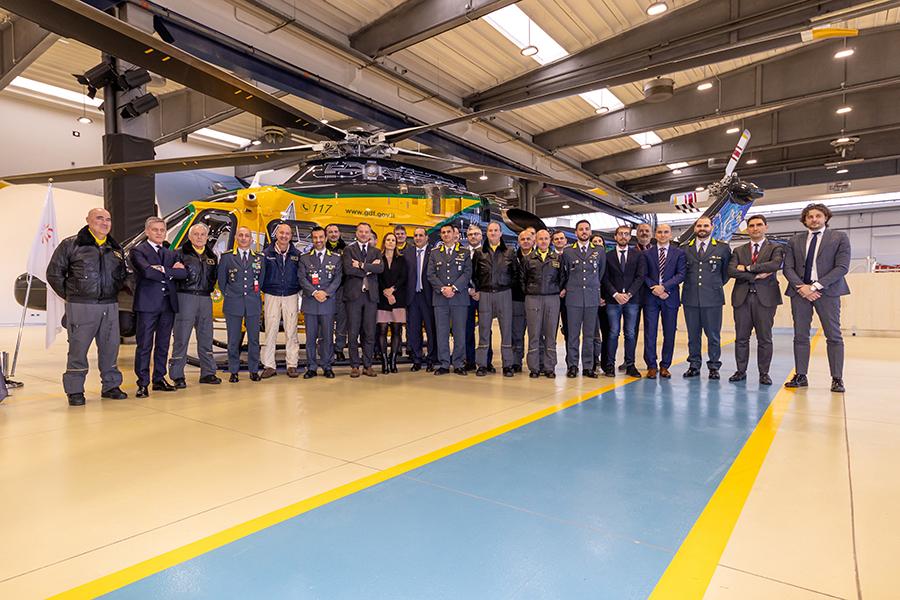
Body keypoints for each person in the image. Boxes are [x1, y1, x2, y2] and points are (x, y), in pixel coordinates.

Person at [46, 208, 129, 406]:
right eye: (99, 218)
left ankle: (111, 386)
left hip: (109, 305)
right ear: (88, 220)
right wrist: (72, 295)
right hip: (81, 305)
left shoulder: (115, 249)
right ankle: (75, 390)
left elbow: (122, 276)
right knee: (78, 349)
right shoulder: (71, 244)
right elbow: (54, 274)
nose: (105, 222)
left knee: (110, 348)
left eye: (108, 219)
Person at [783, 203, 851, 392]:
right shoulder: (794, 240)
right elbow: (787, 267)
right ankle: (801, 375)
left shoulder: (839, 237)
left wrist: (814, 286)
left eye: (818, 216)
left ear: (825, 218)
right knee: (800, 335)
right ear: (805, 220)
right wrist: (802, 287)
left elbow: (842, 267)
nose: (814, 219)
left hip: (827, 292)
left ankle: (837, 378)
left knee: (833, 335)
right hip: (800, 293)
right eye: (810, 216)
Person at [131, 216, 187, 398]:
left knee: (163, 344)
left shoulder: (170, 253)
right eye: (155, 230)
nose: (159, 233)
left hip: (167, 304)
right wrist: (171, 272)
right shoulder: (138, 251)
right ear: (147, 231)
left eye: (162, 230)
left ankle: (159, 379)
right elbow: (147, 272)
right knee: (144, 345)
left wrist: (162, 269)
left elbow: (183, 274)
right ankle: (142, 383)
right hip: (147, 305)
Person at [727, 215, 784, 385]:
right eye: (751, 225)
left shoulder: (775, 248)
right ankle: (740, 371)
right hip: (742, 298)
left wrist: (747, 268)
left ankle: (764, 373)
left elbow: (774, 265)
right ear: (748, 229)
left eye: (759, 225)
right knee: (741, 338)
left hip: (765, 299)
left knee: (764, 339)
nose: (755, 228)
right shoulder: (738, 250)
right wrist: (755, 276)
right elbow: (731, 271)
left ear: (766, 227)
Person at [169, 223, 221, 388]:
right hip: (186, 297)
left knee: (206, 336)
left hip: (205, 298)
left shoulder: (212, 256)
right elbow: (171, 275)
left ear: (207, 237)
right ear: (190, 237)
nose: (199, 237)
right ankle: (177, 375)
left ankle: (208, 373)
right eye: (196, 234)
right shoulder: (179, 254)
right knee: (181, 337)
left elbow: (214, 277)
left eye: (202, 234)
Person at [681, 216, 731, 379]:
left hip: (713, 298)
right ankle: (694, 365)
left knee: (713, 335)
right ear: (695, 228)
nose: (702, 228)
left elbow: (725, 273)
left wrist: (713, 285)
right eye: (699, 226)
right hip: (690, 298)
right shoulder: (685, 248)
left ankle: (714, 366)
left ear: (712, 227)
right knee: (693, 336)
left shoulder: (723, 248)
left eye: (706, 225)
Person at [218, 226, 265, 383]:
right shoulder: (227, 257)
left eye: (247, 236)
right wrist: (231, 294)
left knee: (254, 339)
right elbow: (222, 281)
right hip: (233, 303)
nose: (244, 238)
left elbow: (261, 279)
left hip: (253, 303)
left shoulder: (259, 258)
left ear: (251, 239)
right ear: (236, 238)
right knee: (233, 340)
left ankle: (253, 370)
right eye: (241, 235)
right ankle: (234, 370)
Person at [561, 220, 605, 379]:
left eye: (587, 229)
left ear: (590, 231)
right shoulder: (568, 251)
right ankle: (572, 366)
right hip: (574, 298)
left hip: (592, 298)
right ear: (576, 232)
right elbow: (565, 274)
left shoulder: (599, 251)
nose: (584, 231)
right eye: (581, 229)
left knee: (589, 335)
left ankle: (588, 366)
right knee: (572, 334)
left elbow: (601, 273)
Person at [473, 222, 517, 377]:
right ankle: (482, 365)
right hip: (485, 294)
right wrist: (478, 289)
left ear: (500, 233)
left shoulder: (510, 252)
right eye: (490, 230)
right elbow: (474, 274)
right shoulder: (479, 253)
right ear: (487, 233)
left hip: (504, 293)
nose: (493, 233)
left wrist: (507, 287)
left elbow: (515, 273)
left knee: (506, 331)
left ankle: (508, 365)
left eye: (496, 230)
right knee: (484, 330)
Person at [602, 225, 646, 378]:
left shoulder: (638, 255)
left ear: (630, 237)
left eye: (626, 234)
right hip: (613, 301)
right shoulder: (607, 256)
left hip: (632, 300)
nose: (623, 236)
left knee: (630, 333)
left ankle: (630, 365)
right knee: (613, 332)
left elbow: (640, 277)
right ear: (615, 237)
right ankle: (609, 365)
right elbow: (605, 278)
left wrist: (629, 294)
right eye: (620, 234)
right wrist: (615, 294)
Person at [427, 224, 472, 375]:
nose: (446, 234)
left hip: (459, 298)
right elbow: (430, 274)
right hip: (440, 299)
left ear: (454, 234)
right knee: (442, 333)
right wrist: (442, 288)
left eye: (448, 232)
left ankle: (458, 363)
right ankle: (444, 364)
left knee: (459, 332)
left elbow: (467, 273)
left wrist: (453, 288)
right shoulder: (434, 253)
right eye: (443, 232)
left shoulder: (464, 252)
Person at [642, 224, 686, 379]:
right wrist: (654, 288)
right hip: (651, 297)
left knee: (669, 333)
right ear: (655, 235)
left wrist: (665, 288)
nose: (662, 235)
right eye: (659, 232)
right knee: (650, 333)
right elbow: (643, 275)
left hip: (670, 297)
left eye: (666, 232)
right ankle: (651, 366)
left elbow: (681, 274)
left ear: (670, 234)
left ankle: (665, 366)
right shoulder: (647, 254)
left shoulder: (679, 253)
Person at [299, 226, 342, 379]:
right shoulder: (304, 258)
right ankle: (311, 367)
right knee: (310, 338)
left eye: (321, 237)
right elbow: (302, 278)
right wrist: (315, 292)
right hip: (311, 303)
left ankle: (327, 366)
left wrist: (326, 293)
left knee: (327, 337)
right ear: (312, 239)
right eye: (315, 238)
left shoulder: (336, 258)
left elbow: (337, 279)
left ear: (325, 238)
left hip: (327, 303)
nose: (318, 240)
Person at [260, 222, 302, 378]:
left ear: (291, 236)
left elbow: (300, 275)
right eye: (281, 233)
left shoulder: (297, 255)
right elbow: (261, 275)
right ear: (276, 235)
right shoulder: (266, 254)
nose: (284, 236)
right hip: (272, 294)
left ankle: (292, 364)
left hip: (291, 295)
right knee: (270, 330)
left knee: (291, 331)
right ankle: (269, 365)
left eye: (287, 233)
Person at [342, 222, 384, 378]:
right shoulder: (349, 250)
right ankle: (354, 366)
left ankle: (368, 365)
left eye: (366, 232)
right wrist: (369, 269)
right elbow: (348, 269)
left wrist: (360, 265)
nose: (364, 234)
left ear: (370, 234)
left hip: (370, 297)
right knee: (353, 332)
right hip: (354, 297)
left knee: (370, 332)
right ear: (356, 233)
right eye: (361, 231)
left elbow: (380, 269)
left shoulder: (376, 251)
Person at [521, 229, 564, 378]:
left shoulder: (557, 259)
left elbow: (562, 278)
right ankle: (534, 367)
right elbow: (522, 279)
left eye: (546, 238)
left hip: (552, 298)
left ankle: (549, 367)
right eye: (540, 239)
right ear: (535, 241)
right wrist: (530, 291)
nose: (543, 241)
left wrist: (556, 290)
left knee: (550, 334)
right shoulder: (528, 259)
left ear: (550, 241)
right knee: (534, 334)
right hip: (533, 298)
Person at [405, 227, 436, 372]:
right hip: (412, 297)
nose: (418, 238)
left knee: (431, 330)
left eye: (421, 235)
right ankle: (417, 359)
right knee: (414, 330)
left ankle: (431, 359)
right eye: (415, 235)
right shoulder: (408, 253)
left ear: (426, 237)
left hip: (428, 296)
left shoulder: (433, 252)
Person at [377, 232, 408, 373]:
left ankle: (393, 360)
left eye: (393, 240)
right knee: (382, 330)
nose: (391, 242)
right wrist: (386, 291)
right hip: (382, 299)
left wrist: (392, 290)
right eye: (388, 240)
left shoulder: (401, 259)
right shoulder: (378, 259)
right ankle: (384, 361)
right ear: (384, 242)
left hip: (398, 298)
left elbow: (403, 277)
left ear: (396, 243)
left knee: (396, 330)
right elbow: (377, 277)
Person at [628, 222, 654, 372]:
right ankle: (629, 361)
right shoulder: (630, 252)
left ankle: (650, 361)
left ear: (651, 234)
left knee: (650, 331)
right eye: (641, 231)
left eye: (647, 231)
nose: (644, 233)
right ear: (636, 234)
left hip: (652, 297)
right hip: (634, 297)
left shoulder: (656, 252)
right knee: (631, 331)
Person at [511, 228, 535, 372]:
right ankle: (516, 362)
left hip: (535, 299)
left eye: (528, 239)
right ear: (518, 241)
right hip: (517, 300)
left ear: (533, 241)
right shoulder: (512, 258)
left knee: (536, 334)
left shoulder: (539, 257)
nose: (525, 241)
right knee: (516, 333)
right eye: (522, 239)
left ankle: (537, 362)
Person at [325, 224, 348, 362]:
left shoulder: (346, 249)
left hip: (341, 290)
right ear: (326, 234)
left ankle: (339, 348)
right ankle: (326, 348)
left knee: (341, 321)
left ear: (339, 233)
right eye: (330, 232)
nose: (333, 234)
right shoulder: (321, 248)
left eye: (335, 231)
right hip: (325, 290)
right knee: (325, 321)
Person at [464, 224, 484, 372]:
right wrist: (469, 290)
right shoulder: (462, 253)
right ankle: (469, 361)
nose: (473, 237)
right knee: (467, 329)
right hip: (466, 296)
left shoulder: (487, 252)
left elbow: (491, 274)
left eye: (476, 234)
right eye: (470, 234)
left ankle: (486, 361)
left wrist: (480, 291)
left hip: (483, 296)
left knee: (485, 330)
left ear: (481, 236)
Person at [590, 234, 611, 375]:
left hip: (606, 302)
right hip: (591, 301)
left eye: (599, 241)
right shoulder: (588, 259)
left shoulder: (609, 259)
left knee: (607, 333)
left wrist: (605, 298)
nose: (597, 243)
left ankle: (606, 362)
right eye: (595, 241)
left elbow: (610, 280)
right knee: (593, 334)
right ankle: (594, 361)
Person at [552, 230, 570, 364]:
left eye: (561, 238)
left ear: (566, 241)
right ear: (552, 242)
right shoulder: (549, 256)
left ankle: (571, 362)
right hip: (552, 297)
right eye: (556, 239)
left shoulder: (571, 256)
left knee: (569, 331)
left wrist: (566, 288)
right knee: (550, 331)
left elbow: (575, 275)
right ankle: (549, 362)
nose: (559, 240)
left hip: (568, 298)